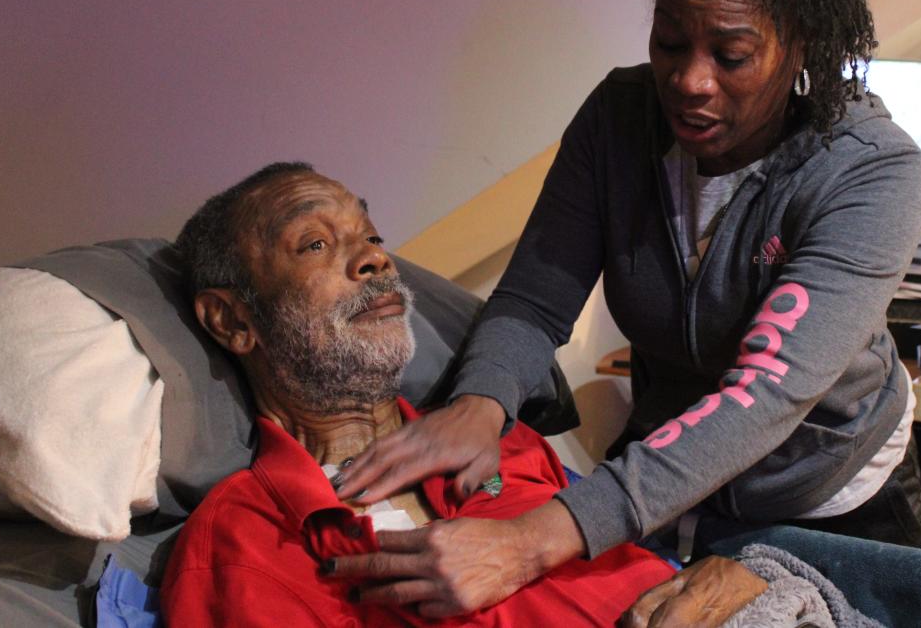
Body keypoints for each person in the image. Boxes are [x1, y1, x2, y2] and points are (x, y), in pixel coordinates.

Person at [332, 0, 921, 616]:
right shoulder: (619, 119)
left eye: (731, 55)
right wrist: (481, 402)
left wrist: (530, 542)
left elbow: (763, 395)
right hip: (671, 486)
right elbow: (533, 298)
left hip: (827, 500)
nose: (689, 80)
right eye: (669, 41)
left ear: (800, 42)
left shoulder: (872, 173)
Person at [161, 163, 702, 625]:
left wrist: (744, 580)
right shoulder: (242, 545)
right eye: (316, 244)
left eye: (371, 237)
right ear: (232, 320)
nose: (376, 260)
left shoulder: (505, 442)